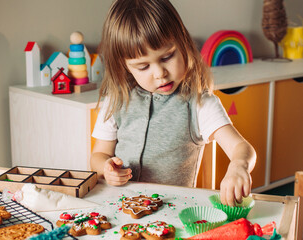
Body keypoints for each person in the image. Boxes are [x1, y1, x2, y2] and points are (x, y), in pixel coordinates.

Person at [90, 0, 256, 207]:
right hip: (121, 208)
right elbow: (98, 156)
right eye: (143, 67)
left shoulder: (198, 103)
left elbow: (242, 147)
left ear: (183, 43)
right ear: (125, 67)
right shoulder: (117, 100)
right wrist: (105, 167)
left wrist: (239, 165)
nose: (160, 74)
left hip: (174, 212)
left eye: (167, 57)